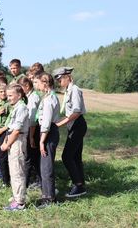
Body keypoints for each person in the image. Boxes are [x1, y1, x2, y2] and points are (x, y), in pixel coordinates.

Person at [54, 67, 88, 198]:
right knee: (75, 157)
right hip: (73, 125)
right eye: (58, 79)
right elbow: (69, 113)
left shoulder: (74, 90)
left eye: (61, 78)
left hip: (78, 125)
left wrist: (60, 124)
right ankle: (81, 185)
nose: (59, 81)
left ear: (68, 77)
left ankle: (78, 185)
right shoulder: (68, 91)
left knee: (66, 156)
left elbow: (76, 112)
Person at [1, 84, 29, 211]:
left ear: (19, 95)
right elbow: (11, 128)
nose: (8, 98)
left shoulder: (22, 108)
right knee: (13, 170)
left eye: (11, 95)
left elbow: (17, 131)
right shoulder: (16, 107)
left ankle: (20, 203)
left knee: (17, 171)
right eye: (7, 95)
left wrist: (7, 144)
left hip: (17, 141)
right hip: (13, 140)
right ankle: (16, 196)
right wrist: (6, 141)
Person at [37, 72, 60, 208]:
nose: (37, 85)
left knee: (47, 167)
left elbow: (46, 122)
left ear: (45, 83)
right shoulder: (50, 96)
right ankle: (46, 195)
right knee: (44, 166)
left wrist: (41, 141)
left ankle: (50, 198)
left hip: (48, 133)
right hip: (49, 132)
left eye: (39, 83)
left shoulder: (49, 100)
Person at [18, 76, 41, 189]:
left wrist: (31, 137)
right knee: (34, 158)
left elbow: (32, 120)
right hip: (31, 130)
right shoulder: (29, 96)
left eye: (21, 88)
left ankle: (24, 185)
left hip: (33, 131)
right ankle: (41, 182)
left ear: (27, 86)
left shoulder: (33, 98)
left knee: (28, 158)